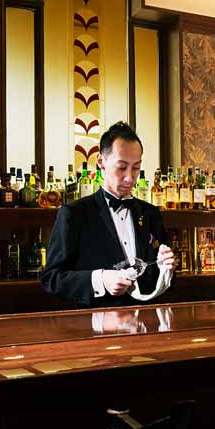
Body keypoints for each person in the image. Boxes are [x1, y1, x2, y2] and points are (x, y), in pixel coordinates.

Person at [41, 122, 175, 306]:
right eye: (121, 167)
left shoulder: (151, 213)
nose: (129, 177)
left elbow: (163, 281)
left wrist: (167, 268)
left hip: (146, 319)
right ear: (101, 163)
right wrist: (101, 280)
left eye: (136, 168)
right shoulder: (73, 214)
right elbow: (52, 278)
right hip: (96, 320)